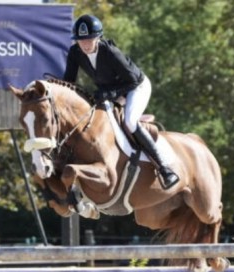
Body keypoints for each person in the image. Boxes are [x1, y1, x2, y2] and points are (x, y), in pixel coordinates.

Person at [63, 14, 180, 190]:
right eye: (81, 40)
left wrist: (109, 93)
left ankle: (165, 168)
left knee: (130, 122)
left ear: (98, 37)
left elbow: (132, 81)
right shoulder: (75, 52)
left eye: (89, 39)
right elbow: (69, 82)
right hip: (113, 91)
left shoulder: (110, 52)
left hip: (136, 87)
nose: (85, 44)